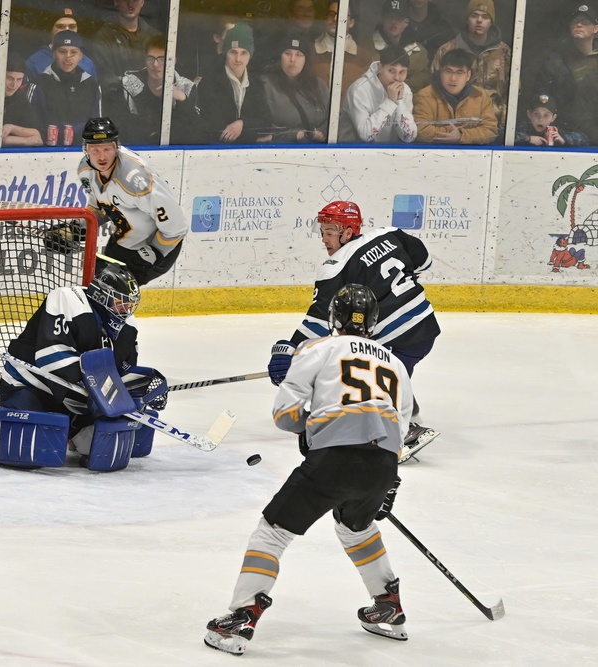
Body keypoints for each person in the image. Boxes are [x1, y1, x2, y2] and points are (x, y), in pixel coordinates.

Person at [206, 283, 412, 656]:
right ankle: (388, 606)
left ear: (334, 317)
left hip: (335, 459)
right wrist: (388, 480)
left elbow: (285, 416)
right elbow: (401, 426)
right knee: (357, 527)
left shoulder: (317, 349)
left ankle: (242, 616)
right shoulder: (396, 364)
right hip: (383, 466)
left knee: (271, 534)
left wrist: (312, 419)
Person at [267, 200, 440, 462]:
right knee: (389, 364)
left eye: (329, 232)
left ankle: (402, 434)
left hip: (393, 341)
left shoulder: (336, 266)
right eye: (322, 231)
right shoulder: (390, 233)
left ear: (348, 232)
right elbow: (424, 262)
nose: (324, 239)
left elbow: (317, 322)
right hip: (426, 327)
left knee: (358, 370)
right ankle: (404, 399)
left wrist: (291, 351)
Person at [0, 262, 160, 463]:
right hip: (31, 387)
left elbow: (123, 372)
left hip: (77, 403)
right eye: (120, 303)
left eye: (129, 304)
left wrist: (138, 390)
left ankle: (74, 428)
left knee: (104, 448)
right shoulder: (68, 300)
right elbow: (50, 359)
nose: (126, 310)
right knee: (38, 450)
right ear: (101, 296)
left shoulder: (128, 328)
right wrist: (99, 387)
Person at [73, 117, 186, 285]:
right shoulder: (85, 171)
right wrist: (77, 228)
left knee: (114, 295)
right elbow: (101, 208)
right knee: (98, 289)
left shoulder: (136, 180)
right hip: (124, 239)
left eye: (107, 149)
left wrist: (153, 252)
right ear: (85, 150)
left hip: (160, 246)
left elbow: (176, 227)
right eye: (95, 150)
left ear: (117, 147)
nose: (101, 156)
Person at [431, 0, 511, 125]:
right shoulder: (447, 50)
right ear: (467, 19)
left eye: (485, 17)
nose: (479, 20)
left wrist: (503, 120)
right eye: (474, 15)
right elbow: (433, 90)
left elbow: (512, 93)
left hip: (493, 124)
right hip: (453, 123)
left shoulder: (504, 53)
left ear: (491, 22)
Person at [108, 35, 198, 144]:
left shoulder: (187, 87)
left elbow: (197, 131)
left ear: (173, 61)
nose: (155, 64)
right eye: (150, 58)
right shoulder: (127, 83)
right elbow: (117, 125)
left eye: (162, 59)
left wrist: (182, 99)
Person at [190, 22, 270, 144]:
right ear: (225, 53)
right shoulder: (210, 81)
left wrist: (242, 123)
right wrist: (255, 138)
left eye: (244, 53)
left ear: (250, 55)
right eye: (233, 52)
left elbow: (266, 122)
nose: (238, 59)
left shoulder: (256, 83)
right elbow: (217, 130)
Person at [530, 4, 598, 146]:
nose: (579, 25)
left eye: (585, 22)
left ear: (596, 28)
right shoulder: (555, 60)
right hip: (563, 133)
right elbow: (542, 98)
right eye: (575, 22)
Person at [414, 47, 498, 144]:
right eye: (448, 71)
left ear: (468, 75)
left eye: (460, 72)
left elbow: (491, 131)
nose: (453, 78)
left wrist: (461, 135)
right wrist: (452, 134)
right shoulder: (424, 96)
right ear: (441, 71)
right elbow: (420, 130)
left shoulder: (481, 96)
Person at [29, 30, 100, 145]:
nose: (68, 57)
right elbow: (31, 122)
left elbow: (97, 122)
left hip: (82, 150)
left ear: (81, 56)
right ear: (53, 54)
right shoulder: (40, 83)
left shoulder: (91, 84)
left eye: (73, 52)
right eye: (62, 52)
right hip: (46, 151)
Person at [259, 34, 330, 143]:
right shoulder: (265, 85)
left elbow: (333, 118)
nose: (293, 59)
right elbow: (261, 127)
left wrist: (323, 132)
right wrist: (292, 135)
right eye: (288, 53)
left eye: (299, 55)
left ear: (306, 59)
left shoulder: (319, 85)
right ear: (280, 57)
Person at [339, 45, 418, 143]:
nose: (397, 78)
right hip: (352, 151)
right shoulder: (359, 89)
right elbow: (365, 135)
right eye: (391, 71)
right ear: (380, 67)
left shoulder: (405, 90)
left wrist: (399, 101)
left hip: (392, 153)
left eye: (402, 72)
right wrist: (390, 102)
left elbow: (409, 137)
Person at [91, 0, 160, 91]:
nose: (130, 5)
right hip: (118, 100)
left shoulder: (155, 37)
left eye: (134, 0)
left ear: (142, 2)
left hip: (152, 99)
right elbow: (104, 77)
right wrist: (122, 82)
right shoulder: (104, 37)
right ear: (116, 2)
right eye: (125, 0)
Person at [367, 0, 432, 94]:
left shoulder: (419, 52)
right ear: (382, 19)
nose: (394, 22)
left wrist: (399, 87)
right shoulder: (367, 46)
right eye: (390, 17)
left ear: (406, 22)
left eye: (398, 18)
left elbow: (423, 79)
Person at [313, 1, 374, 99]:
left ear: (351, 22)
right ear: (325, 19)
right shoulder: (308, 53)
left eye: (342, 15)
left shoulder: (365, 57)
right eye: (331, 14)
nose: (335, 19)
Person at [24, 8, 98, 83]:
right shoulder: (34, 63)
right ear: (51, 30)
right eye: (60, 27)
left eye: (72, 27)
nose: (67, 30)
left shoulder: (88, 64)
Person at [514, 92, 586, 147]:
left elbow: (584, 139)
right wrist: (528, 139)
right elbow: (505, 136)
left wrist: (564, 139)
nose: (541, 119)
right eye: (536, 114)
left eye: (546, 115)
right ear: (529, 114)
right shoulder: (523, 127)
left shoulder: (556, 129)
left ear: (553, 118)